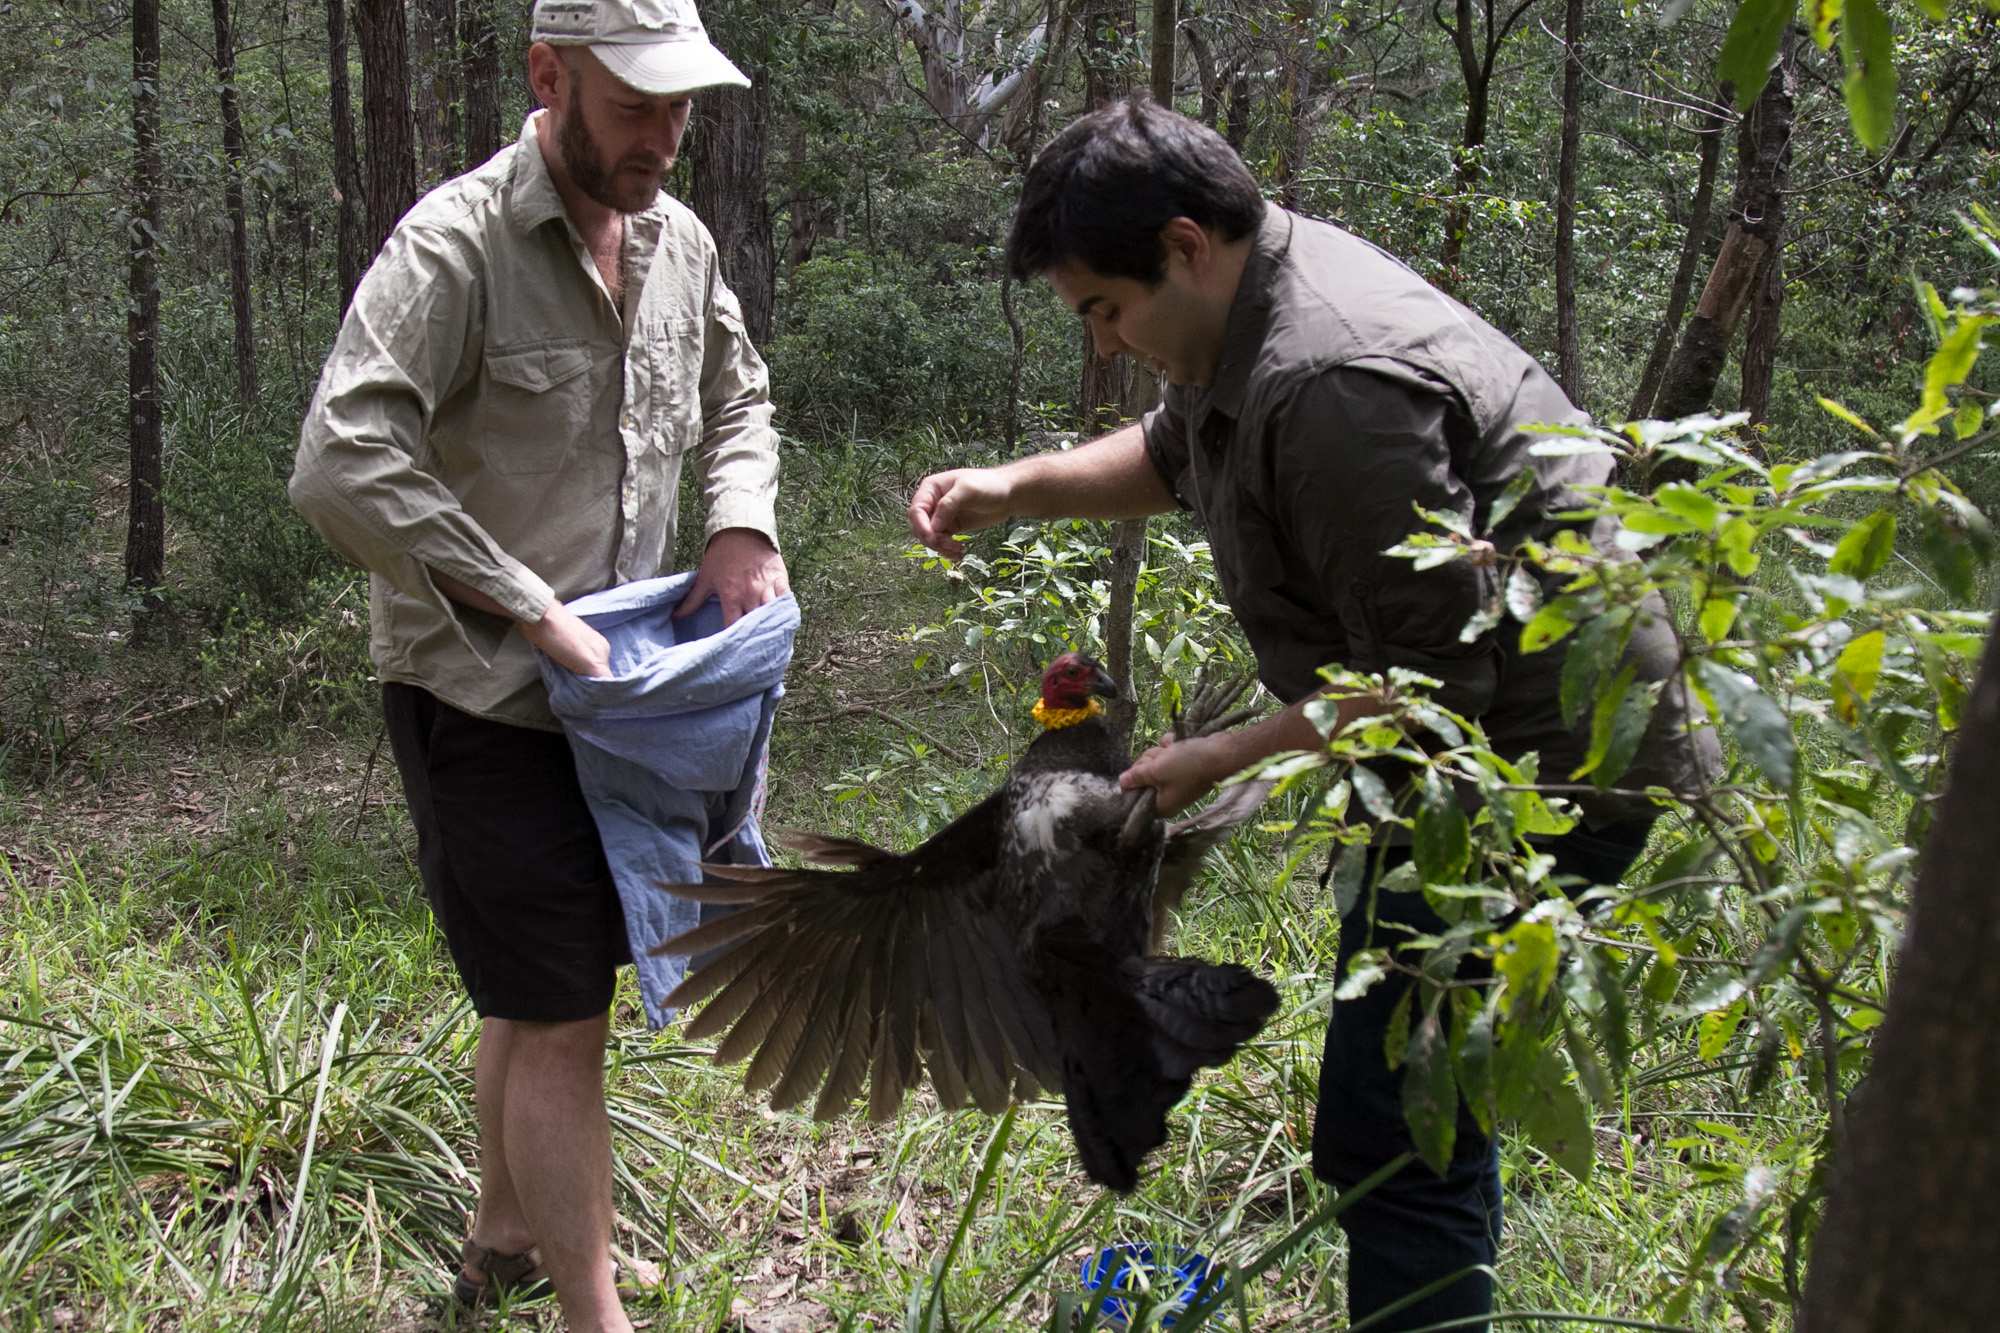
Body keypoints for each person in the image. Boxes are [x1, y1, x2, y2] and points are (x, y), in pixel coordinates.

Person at [908, 98, 1718, 1330]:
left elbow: (1428, 688)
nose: (1109, 342)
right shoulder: (1245, 315)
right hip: (1463, 756)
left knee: (1401, 1139)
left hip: (1540, 771)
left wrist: (1226, 753)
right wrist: (1009, 489)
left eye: (1103, 310)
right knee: (1399, 1115)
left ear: (1184, 244)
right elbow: (1171, 452)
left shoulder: (1330, 379)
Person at [290, 0, 785, 1325]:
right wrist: (527, 608)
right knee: (562, 1008)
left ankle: (503, 1241)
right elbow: (341, 463)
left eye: (683, 110)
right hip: (485, 694)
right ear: (549, 76)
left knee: (541, 986)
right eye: (636, 108)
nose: (665, 140)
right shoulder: (453, 247)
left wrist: (741, 519)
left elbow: (739, 395)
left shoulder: (676, 242)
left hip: (628, 704)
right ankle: (593, 1312)